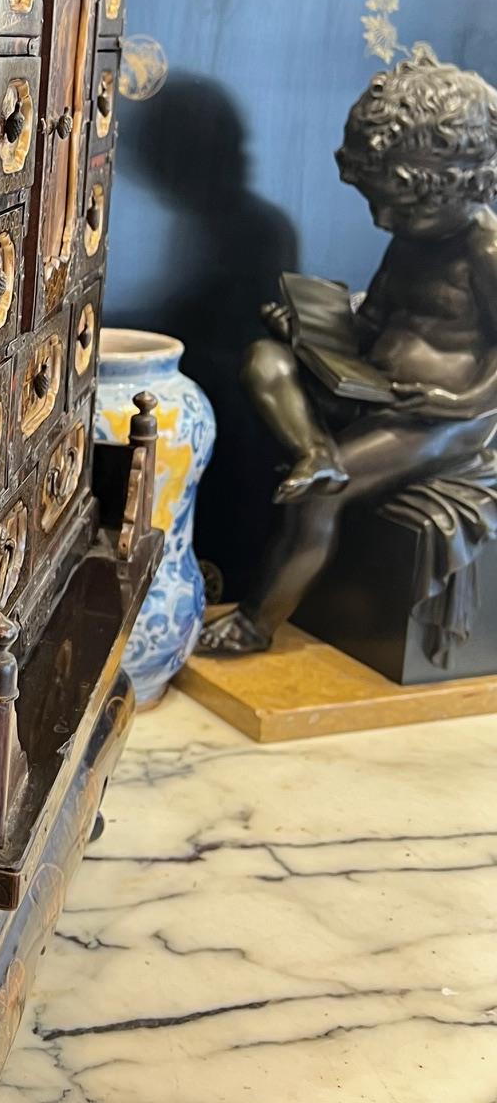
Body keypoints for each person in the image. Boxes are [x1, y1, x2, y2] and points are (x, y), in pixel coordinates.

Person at [201, 47, 497, 655]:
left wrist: (452, 399)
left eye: (403, 207)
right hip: (371, 385)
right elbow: (378, 318)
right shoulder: (414, 240)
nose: (384, 220)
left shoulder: (484, 250)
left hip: (441, 421)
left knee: (318, 498)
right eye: (374, 203)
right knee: (264, 359)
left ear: (455, 184)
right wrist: (312, 330)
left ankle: (256, 623)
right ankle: (315, 448)